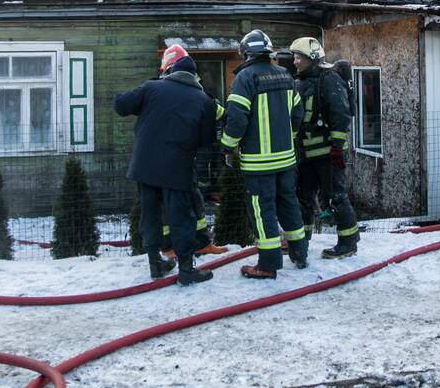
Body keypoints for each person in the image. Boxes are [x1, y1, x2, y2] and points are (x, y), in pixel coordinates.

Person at [114, 46, 217, 285]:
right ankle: (186, 270)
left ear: (169, 70)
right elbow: (206, 140)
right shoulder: (205, 101)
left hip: (145, 165)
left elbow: (121, 105)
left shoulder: (152, 88)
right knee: (181, 218)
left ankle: (155, 263)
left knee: (150, 215)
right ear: (195, 75)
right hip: (178, 168)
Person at [220, 29, 307, 279]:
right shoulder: (285, 75)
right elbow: (298, 113)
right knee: (288, 203)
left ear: (246, 53)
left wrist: (227, 146)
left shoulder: (244, 78)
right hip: (286, 159)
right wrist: (288, 138)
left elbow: (237, 119)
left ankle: (268, 265)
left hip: (259, 164)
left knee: (262, 210)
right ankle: (299, 253)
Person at [154, 47, 230, 261]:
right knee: (167, 202)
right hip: (165, 157)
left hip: (185, 156)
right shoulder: (161, 91)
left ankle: (202, 243)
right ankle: (168, 246)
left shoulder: (193, 90)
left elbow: (217, 112)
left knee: (195, 198)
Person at [289, 37, 359, 259]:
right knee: (303, 197)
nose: (294, 61)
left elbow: (341, 114)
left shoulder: (329, 79)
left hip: (328, 154)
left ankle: (348, 243)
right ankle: (300, 241)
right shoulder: (300, 82)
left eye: (298, 57)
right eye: (294, 57)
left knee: (335, 197)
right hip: (306, 154)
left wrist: (337, 147)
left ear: (311, 59)